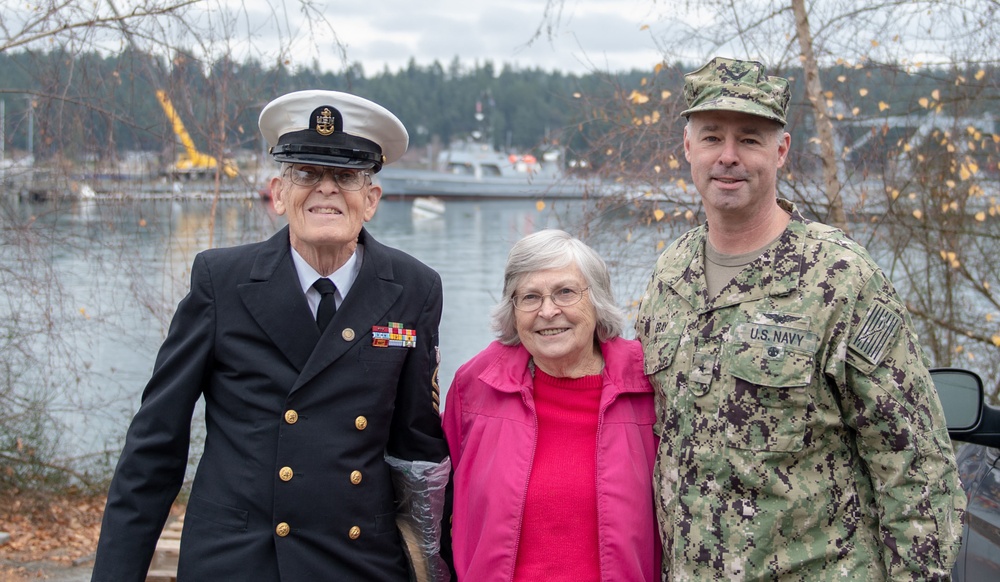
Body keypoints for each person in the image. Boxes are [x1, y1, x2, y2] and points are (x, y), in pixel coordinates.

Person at [92, 90, 450, 581]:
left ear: (370, 201)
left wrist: (437, 563)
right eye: (306, 173)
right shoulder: (221, 282)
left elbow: (418, 453)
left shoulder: (414, 288)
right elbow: (155, 446)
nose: (326, 189)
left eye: (345, 176)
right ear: (279, 194)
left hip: (357, 562)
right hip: (239, 560)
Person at [634, 56, 966, 580]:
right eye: (711, 136)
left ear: (781, 150)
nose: (728, 156)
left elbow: (915, 464)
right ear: (687, 148)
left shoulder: (841, 278)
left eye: (749, 139)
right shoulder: (669, 276)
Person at [443, 229, 660, 581]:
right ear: (513, 311)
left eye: (565, 292)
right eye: (529, 297)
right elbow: (439, 501)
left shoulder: (648, 382)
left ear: (597, 300)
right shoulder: (478, 384)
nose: (547, 311)